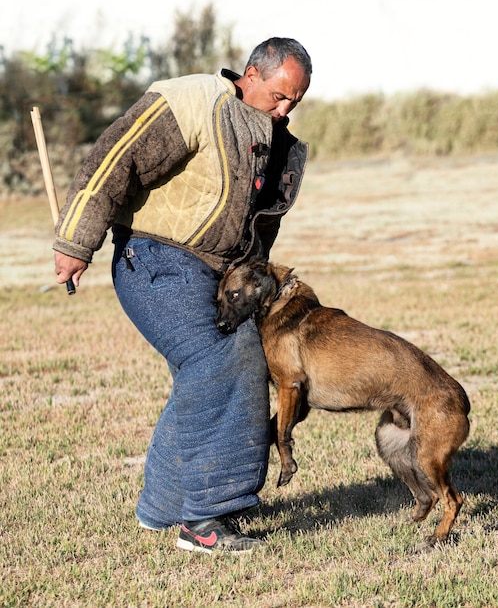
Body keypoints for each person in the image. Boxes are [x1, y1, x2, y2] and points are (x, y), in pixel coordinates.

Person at [53, 37, 312, 554]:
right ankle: (208, 522)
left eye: (296, 101)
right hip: (153, 258)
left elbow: (259, 231)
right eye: (278, 96)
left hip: (218, 276)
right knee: (224, 359)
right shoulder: (191, 101)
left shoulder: (280, 144)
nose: (284, 109)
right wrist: (76, 241)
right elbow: (113, 160)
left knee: (212, 369)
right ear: (251, 74)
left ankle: (165, 508)